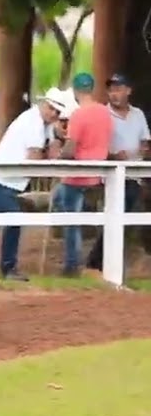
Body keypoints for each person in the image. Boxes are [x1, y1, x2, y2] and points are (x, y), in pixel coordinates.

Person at [0, 88, 73, 281]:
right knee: (13, 219)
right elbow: (34, 158)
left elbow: (46, 152)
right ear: (43, 104)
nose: (53, 114)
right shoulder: (33, 124)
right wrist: (50, 153)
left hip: (5, 180)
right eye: (51, 109)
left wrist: (56, 140)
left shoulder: (42, 123)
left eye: (57, 112)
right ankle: (8, 267)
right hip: (1, 179)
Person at [86, 73, 150, 270]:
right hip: (113, 174)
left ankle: (103, 261)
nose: (114, 94)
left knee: (127, 217)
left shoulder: (137, 114)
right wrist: (113, 156)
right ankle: (99, 261)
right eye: (111, 90)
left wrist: (145, 150)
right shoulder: (103, 115)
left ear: (128, 91)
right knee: (118, 215)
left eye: (118, 89)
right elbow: (94, 145)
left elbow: (145, 141)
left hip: (136, 173)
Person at [56, 72, 114, 277]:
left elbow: (71, 149)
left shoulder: (78, 115)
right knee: (100, 219)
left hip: (76, 176)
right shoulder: (105, 113)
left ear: (75, 90)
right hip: (97, 175)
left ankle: (72, 264)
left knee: (71, 221)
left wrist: (59, 156)